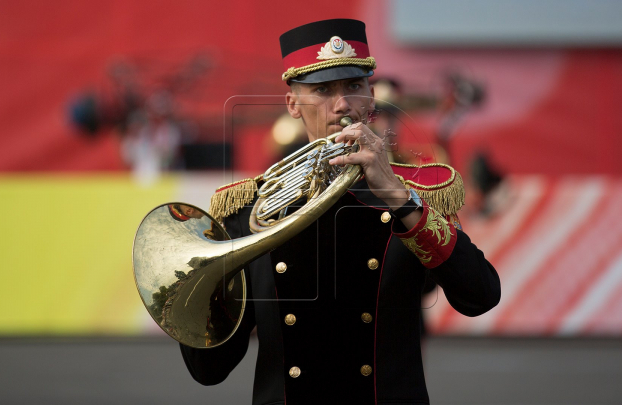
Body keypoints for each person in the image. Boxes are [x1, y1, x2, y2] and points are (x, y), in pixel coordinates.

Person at [179, 19, 500, 405]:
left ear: (371, 95)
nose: (343, 104)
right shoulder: (247, 210)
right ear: (292, 104)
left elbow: (480, 295)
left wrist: (399, 198)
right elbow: (208, 369)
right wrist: (192, 293)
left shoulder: (416, 193)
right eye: (322, 90)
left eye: (354, 86)